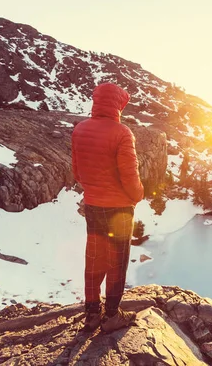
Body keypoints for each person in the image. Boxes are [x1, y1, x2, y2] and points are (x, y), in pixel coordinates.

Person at [71, 83, 144, 332]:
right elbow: (129, 176)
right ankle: (111, 315)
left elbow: (77, 171)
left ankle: (91, 313)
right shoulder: (123, 133)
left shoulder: (80, 129)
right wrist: (138, 195)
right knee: (117, 261)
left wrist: (93, 190)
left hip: (93, 204)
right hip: (119, 209)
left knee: (94, 258)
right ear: (118, 105)